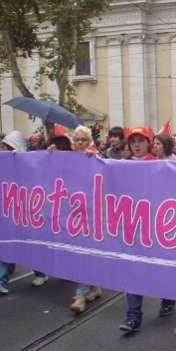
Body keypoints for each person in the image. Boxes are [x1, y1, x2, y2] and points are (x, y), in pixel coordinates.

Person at [119, 127, 176, 332]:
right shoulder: (120, 166)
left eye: (140, 140)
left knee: (160, 268)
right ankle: (133, 317)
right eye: (132, 141)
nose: (136, 144)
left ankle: (168, 297)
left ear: (148, 143)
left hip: (156, 227)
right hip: (132, 228)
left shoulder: (160, 165)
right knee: (134, 270)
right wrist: (88, 158)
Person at [0, 131, 50, 293]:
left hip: (28, 214)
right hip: (11, 215)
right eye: (5, 147)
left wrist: (20, 161)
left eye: (9, 147)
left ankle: (40, 272)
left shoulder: (29, 163)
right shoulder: (2, 165)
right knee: (9, 246)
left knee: (30, 247)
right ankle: (0, 281)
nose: (6, 150)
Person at [69, 126, 103, 312]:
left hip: (91, 214)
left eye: (83, 139)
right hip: (72, 212)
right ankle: (95, 286)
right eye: (77, 140)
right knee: (80, 253)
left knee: (83, 252)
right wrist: (51, 154)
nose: (80, 143)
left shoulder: (94, 157)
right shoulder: (67, 158)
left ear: (89, 141)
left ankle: (80, 296)